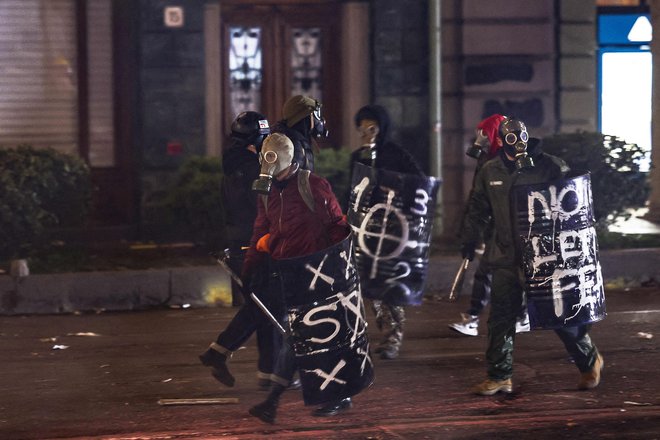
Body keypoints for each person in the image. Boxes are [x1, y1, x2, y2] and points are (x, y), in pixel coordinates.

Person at [460, 117, 604, 395]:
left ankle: (589, 360)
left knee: (559, 316)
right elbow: (477, 207)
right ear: (500, 141)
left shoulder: (550, 166)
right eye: (510, 137)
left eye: (521, 135)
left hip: (544, 259)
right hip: (505, 257)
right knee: (501, 318)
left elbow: (572, 206)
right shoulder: (491, 171)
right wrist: (469, 239)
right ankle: (500, 375)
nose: (517, 142)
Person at [243, 133, 355, 423]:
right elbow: (261, 228)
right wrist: (250, 266)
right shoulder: (267, 192)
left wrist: (338, 268)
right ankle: (287, 400)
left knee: (310, 336)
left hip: (318, 274)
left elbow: (337, 225)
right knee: (299, 336)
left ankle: (277, 401)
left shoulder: (313, 185)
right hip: (289, 272)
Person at [199, 111, 285, 391]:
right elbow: (262, 207)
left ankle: (219, 352)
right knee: (270, 306)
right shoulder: (252, 169)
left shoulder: (232, 165)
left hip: (239, 244)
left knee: (261, 305)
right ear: (256, 140)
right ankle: (269, 375)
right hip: (254, 244)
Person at [348, 104, 425, 360]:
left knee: (390, 284)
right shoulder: (357, 157)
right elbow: (353, 190)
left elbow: (418, 182)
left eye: (372, 126)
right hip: (366, 229)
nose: (367, 131)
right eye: (363, 127)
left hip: (392, 230)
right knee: (369, 285)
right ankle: (384, 330)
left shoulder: (396, 155)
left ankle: (394, 337)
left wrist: (394, 189)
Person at [449, 114, 530, 336]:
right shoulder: (487, 164)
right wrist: (470, 234)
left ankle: (475, 318)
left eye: (484, 132)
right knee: (497, 273)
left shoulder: (507, 165)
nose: (479, 136)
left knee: (489, 272)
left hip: (507, 230)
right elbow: (477, 201)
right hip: (494, 228)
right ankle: (519, 316)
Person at [271, 95, 328, 172]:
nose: (319, 120)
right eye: (316, 115)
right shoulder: (294, 145)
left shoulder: (289, 139)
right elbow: (294, 182)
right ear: (306, 116)